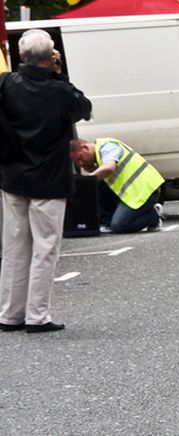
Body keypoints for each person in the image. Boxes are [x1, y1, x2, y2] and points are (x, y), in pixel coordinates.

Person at [0, 29, 92, 333]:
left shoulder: (7, 84)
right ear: (50, 56)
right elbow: (83, 108)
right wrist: (59, 74)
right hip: (49, 177)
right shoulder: (60, 91)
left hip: (13, 172)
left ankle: (10, 313)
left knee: (14, 245)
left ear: (22, 55)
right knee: (45, 246)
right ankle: (36, 315)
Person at [69, 139, 165, 232]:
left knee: (120, 225)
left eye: (80, 158)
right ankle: (107, 221)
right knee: (97, 182)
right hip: (130, 193)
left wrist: (85, 181)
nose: (80, 163)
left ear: (85, 147)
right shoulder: (99, 156)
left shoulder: (107, 147)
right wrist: (92, 169)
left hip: (145, 191)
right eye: (77, 162)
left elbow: (109, 167)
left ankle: (153, 216)